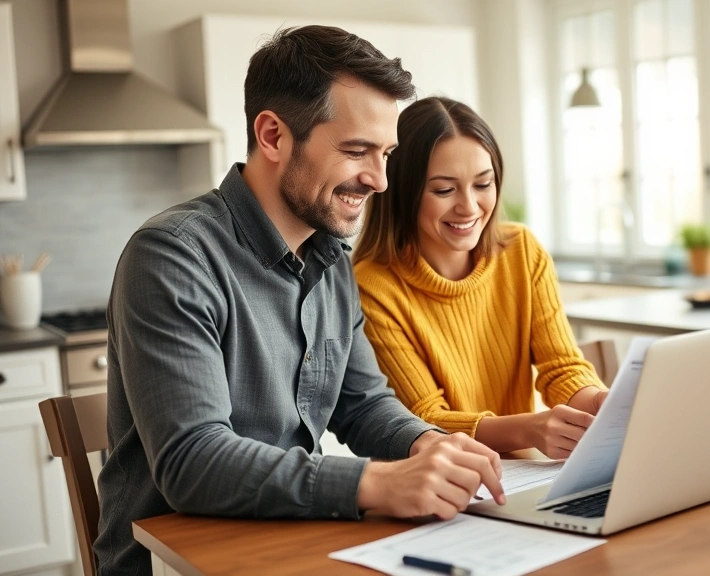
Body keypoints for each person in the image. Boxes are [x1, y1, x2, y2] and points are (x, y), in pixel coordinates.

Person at [95, 28, 504, 576]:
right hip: (174, 563)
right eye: (356, 151)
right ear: (273, 135)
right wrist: (375, 482)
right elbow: (192, 461)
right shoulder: (174, 256)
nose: (380, 181)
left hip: (288, 544)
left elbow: (362, 404)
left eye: (385, 154)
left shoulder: (331, 255)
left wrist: (428, 446)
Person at [352, 97, 608, 460]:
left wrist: (597, 400)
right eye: (444, 190)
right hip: (436, 481)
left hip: (523, 474)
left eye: (483, 184)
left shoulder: (522, 251)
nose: (469, 207)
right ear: (402, 192)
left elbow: (561, 367)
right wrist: (531, 429)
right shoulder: (373, 287)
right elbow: (424, 419)